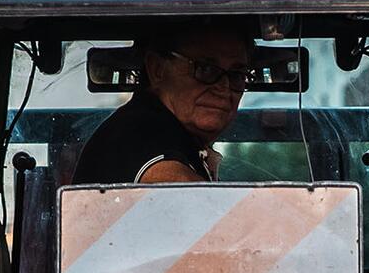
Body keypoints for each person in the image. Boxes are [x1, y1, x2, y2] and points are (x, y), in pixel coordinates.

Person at [74, 25, 256, 184]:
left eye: (236, 75)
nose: (223, 88)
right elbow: (196, 204)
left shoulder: (174, 137)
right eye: (205, 69)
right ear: (157, 69)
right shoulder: (140, 138)